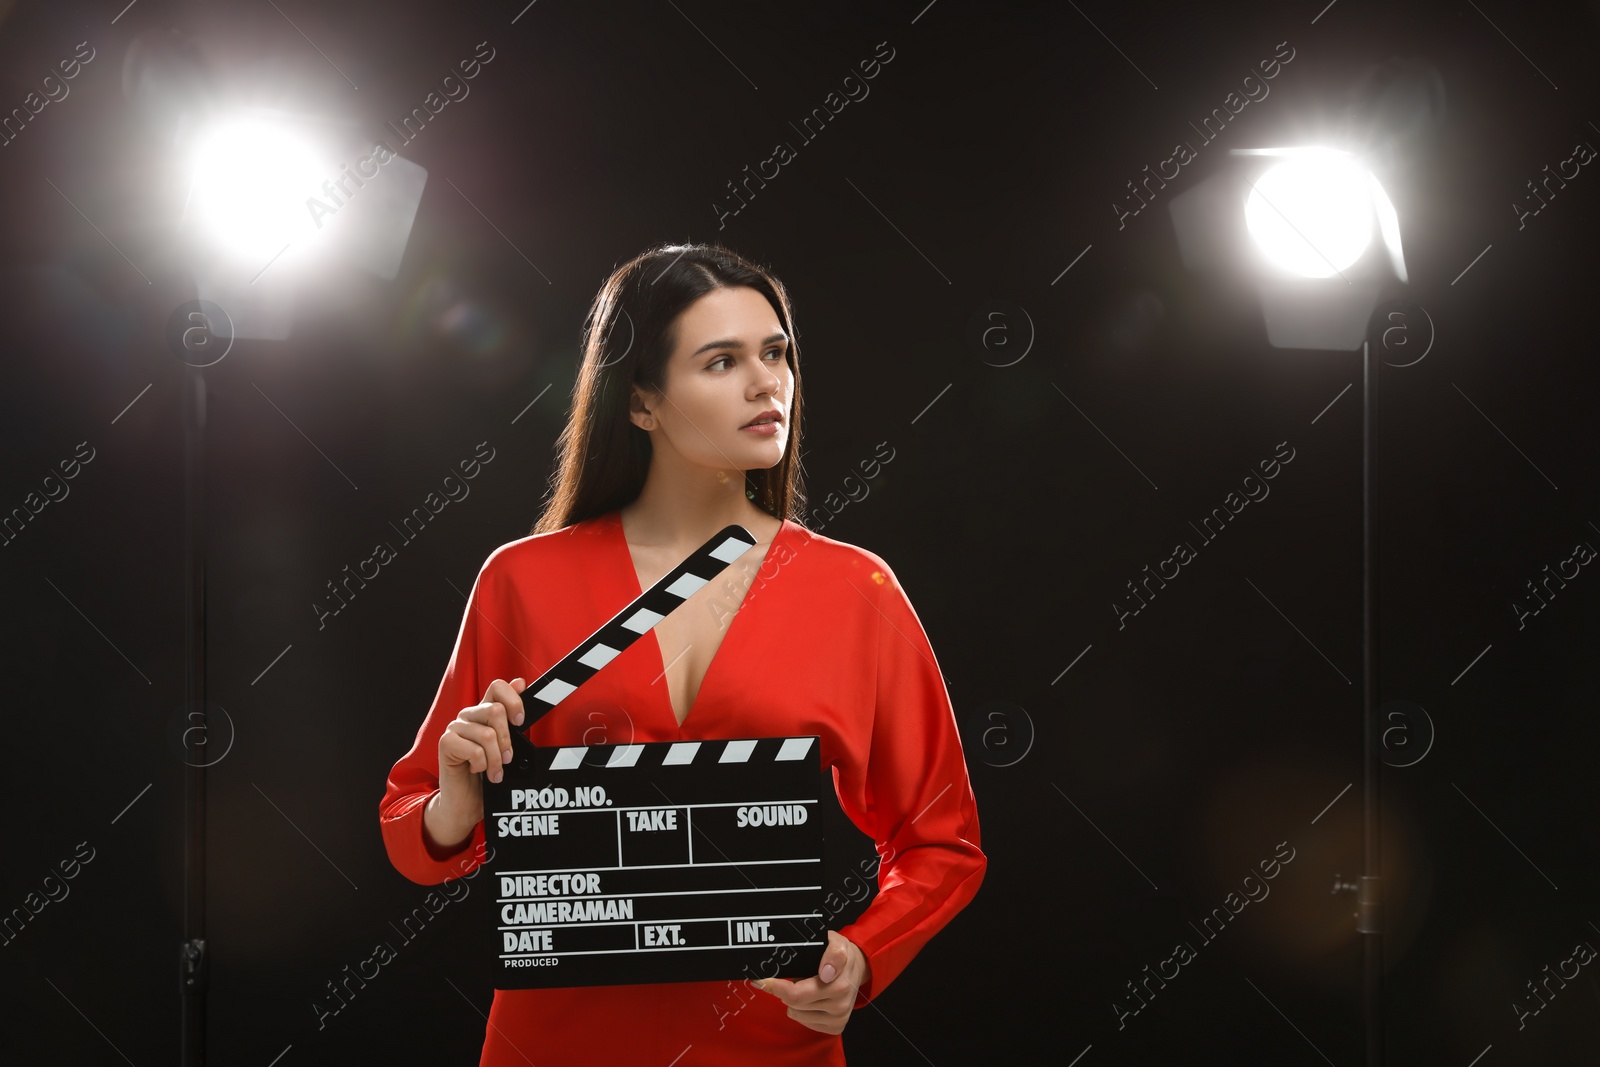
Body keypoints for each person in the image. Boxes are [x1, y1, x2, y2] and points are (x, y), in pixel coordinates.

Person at [378, 243, 986, 1065]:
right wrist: (456, 801)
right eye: (721, 361)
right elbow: (412, 832)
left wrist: (863, 950)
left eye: (776, 353)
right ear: (641, 403)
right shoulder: (522, 580)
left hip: (772, 1043)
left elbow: (941, 839)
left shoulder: (856, 589)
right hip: (558, 1045)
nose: (767, 382)